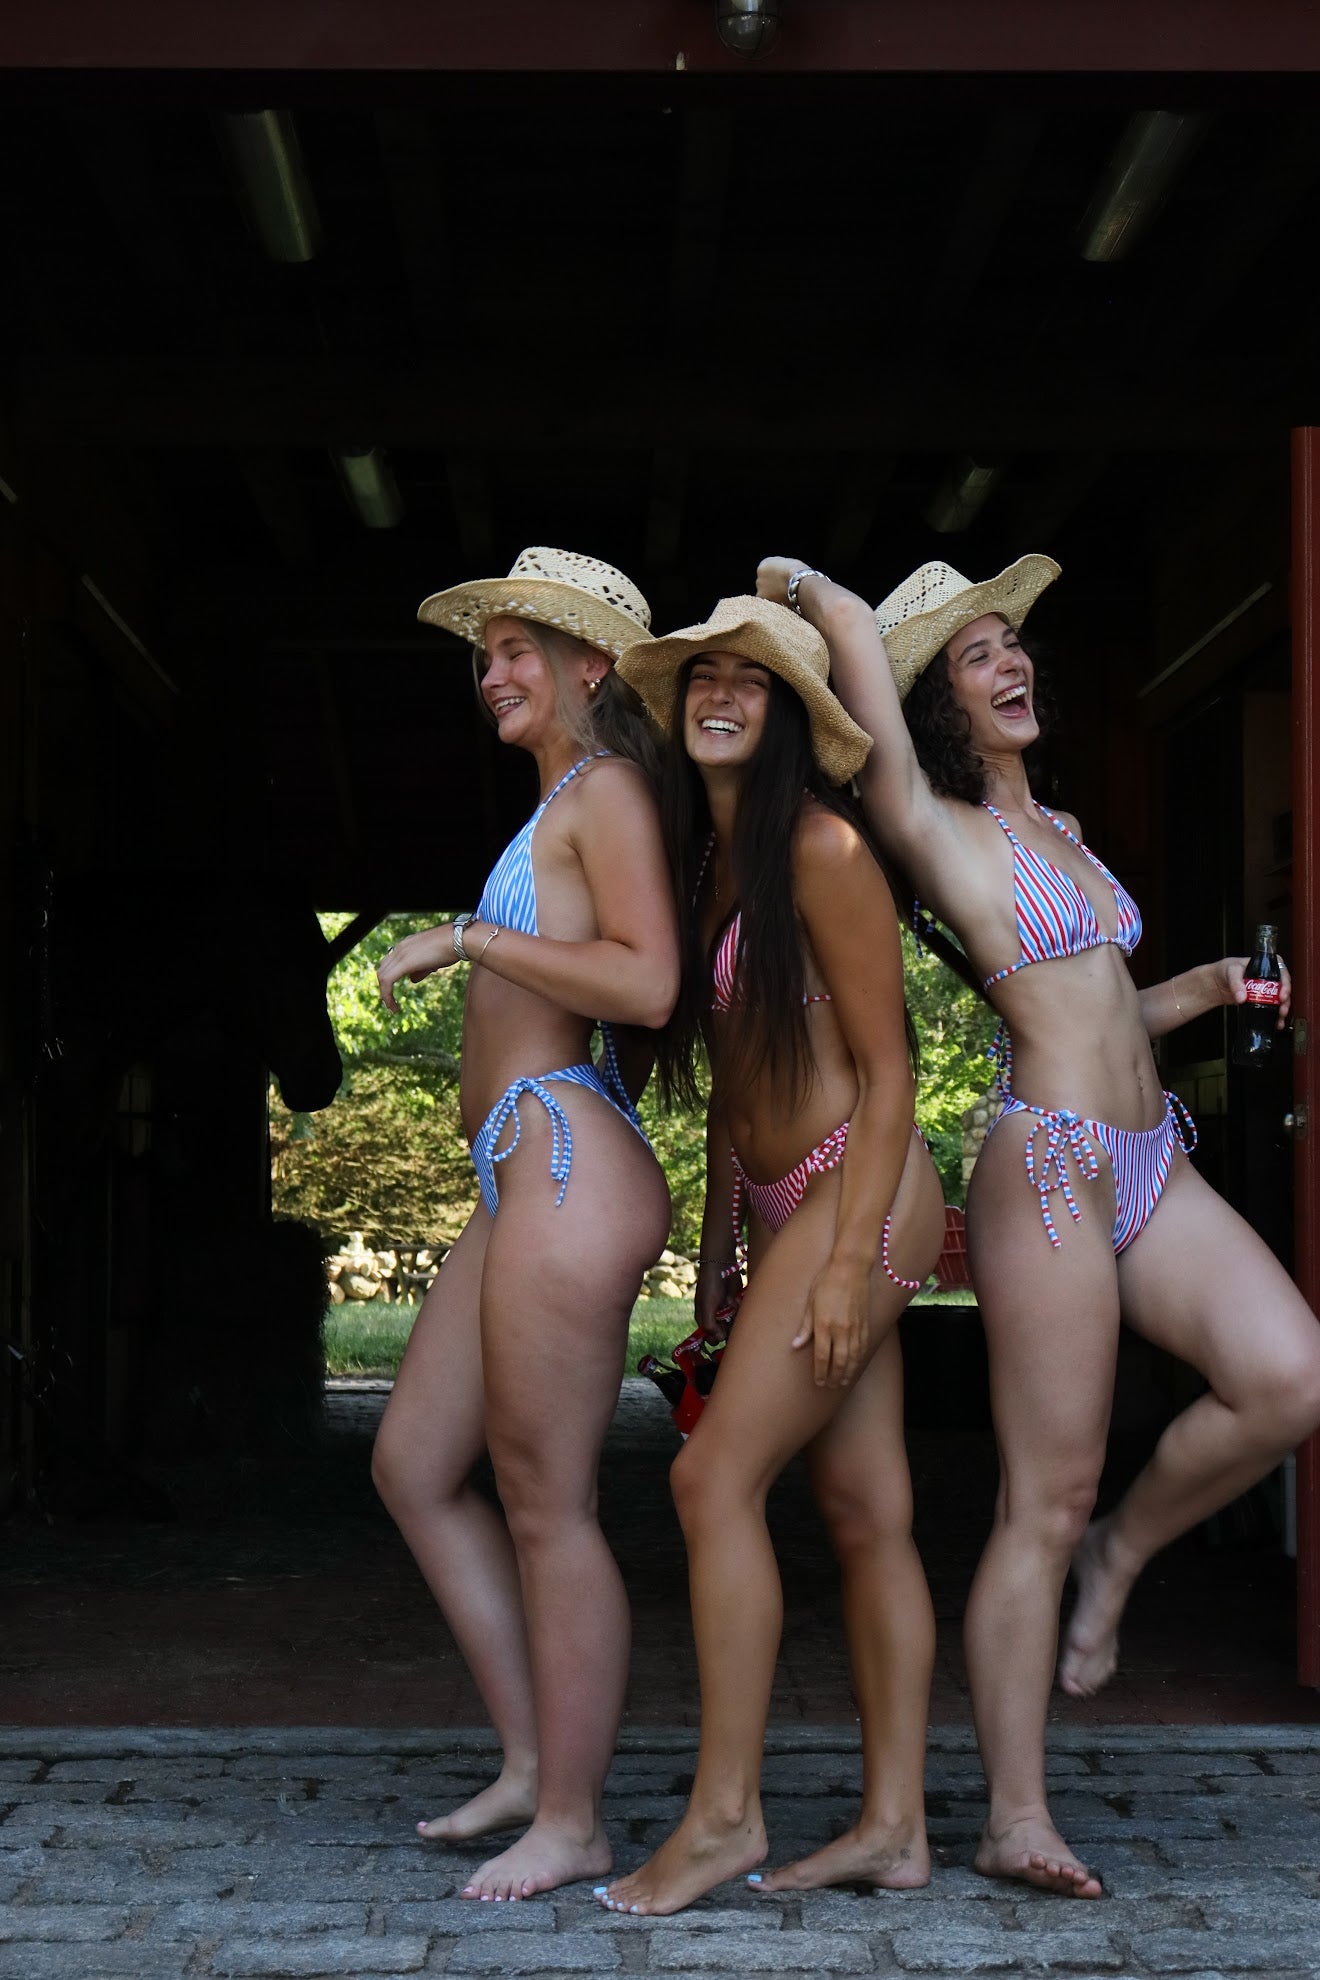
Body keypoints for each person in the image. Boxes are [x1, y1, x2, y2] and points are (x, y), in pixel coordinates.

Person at [759, 552, 1320, 1899]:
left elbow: (1105, 1004)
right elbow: (848, 634)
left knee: (1291, 1378)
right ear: (933, 703)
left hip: (1151, 1159)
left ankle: (1128, 1555)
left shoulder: (1062, 825)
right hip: (1052, 1165)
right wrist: (797, 583)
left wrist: (1202, 985)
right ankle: (1017, 1814)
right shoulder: (925, 820)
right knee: (1044, 1500)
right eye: (976, 655)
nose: (1013, 667)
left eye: (1016, 646)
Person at [594, 595, 945, 1915]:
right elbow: (740, 1089)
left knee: (708, 1482)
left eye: (749, 680)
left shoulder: (825, 847)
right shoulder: (716, 862)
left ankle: (727, 1816)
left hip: (867, 1184)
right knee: (866, 1513)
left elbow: (892, 1071)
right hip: (783, 1206)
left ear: (792, 712)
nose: (718, 695)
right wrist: (719, 1253)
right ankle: (896, 1828)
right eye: (702, 681)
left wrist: (848, 1260)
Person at [372, 548, 680, 1901]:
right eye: (482, 655)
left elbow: (650, 980)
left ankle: (574, 1816)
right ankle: (525, 1759)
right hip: (518, 1167)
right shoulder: (552, 800)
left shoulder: (606, 790)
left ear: (587, 666)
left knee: (548, 1504)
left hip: (567, 1155)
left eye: (512, 650)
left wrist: (468, 942)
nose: (488, 673)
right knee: (412, 1461)